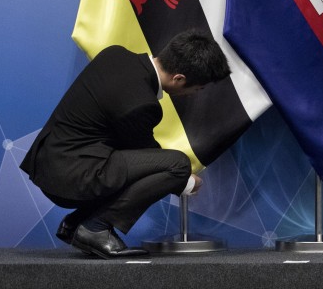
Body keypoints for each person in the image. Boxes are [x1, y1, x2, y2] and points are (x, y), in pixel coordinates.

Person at [20, 29, 231, 259]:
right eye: (197, 89)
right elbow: (152, 159)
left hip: (51, 165)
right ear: (178, 78)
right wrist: (186, 179)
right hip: (72, 178)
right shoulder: (141, 103)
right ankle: (96, 228)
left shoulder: (115, 55)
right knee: (178, 165)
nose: (194, 95)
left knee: (164, 166)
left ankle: (78, 222)